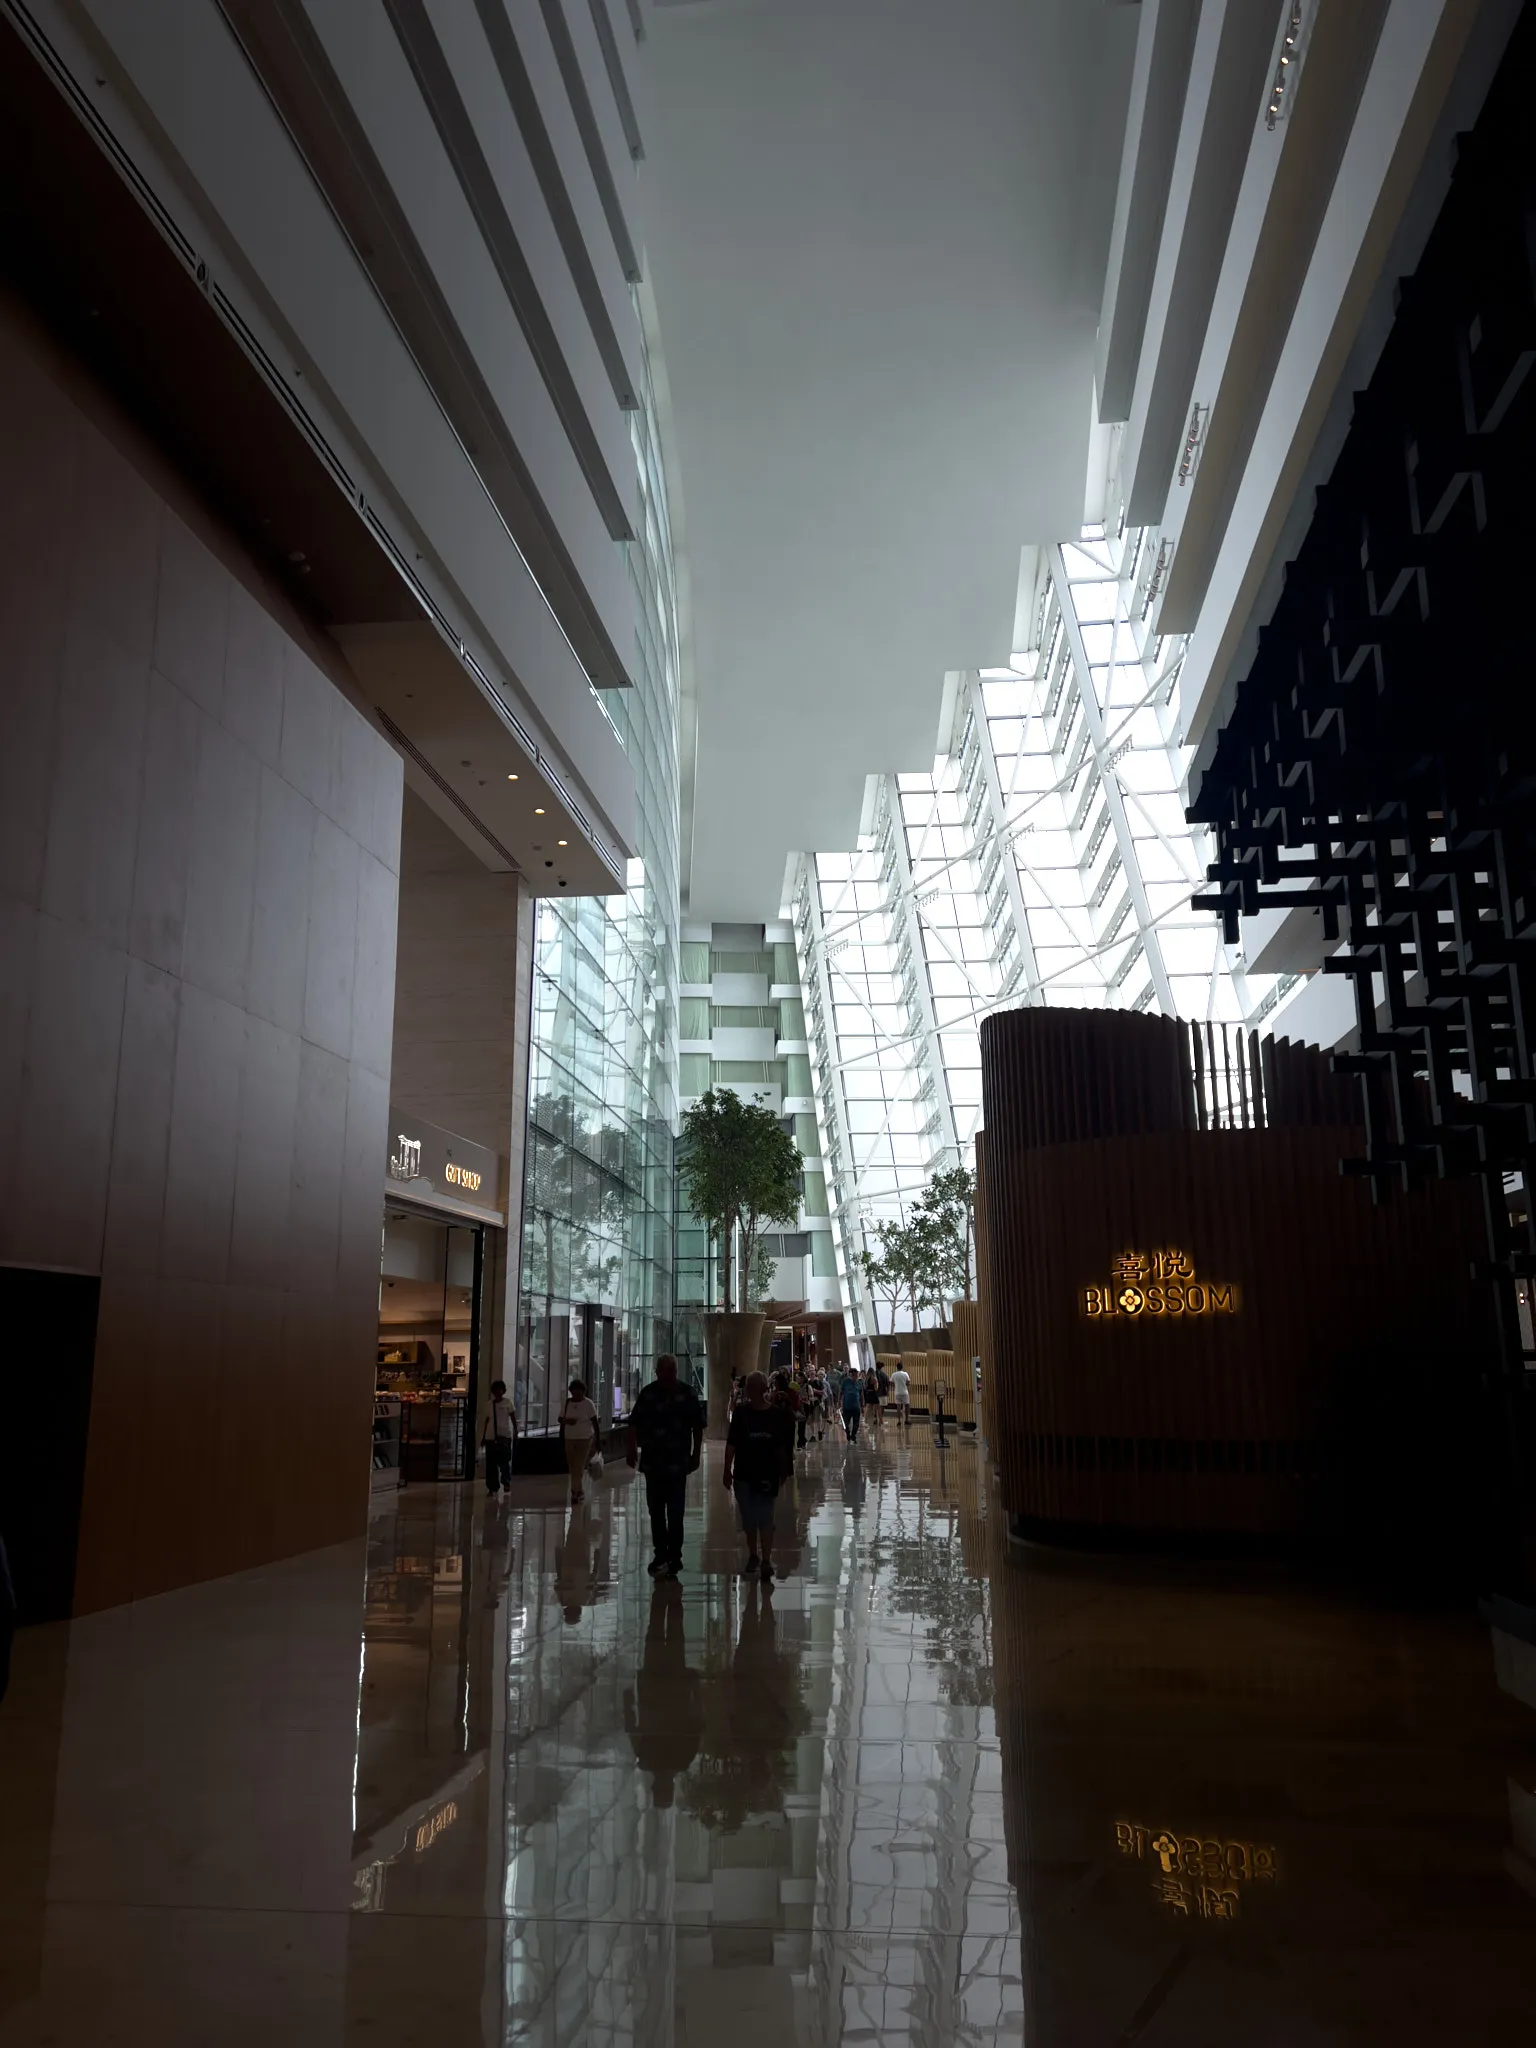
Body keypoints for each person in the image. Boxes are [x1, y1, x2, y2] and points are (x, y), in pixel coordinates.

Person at [626, 1353, 704, 1580]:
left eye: (671, 1372)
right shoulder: (648, 1394)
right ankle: (661, 1554)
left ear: (675, 1372)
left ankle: (674, 1555)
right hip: (653, 1464)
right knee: (656, 1511)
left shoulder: (687, 1394)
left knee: (676, 1512)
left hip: (677, 1464)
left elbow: (697, 1427)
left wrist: (696, 1454)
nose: (667, 1376)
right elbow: (633, 1423)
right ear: (657, 1372)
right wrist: (631, 1449)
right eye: (663, 1372)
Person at [723, 1370, 795, 1583]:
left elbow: (782, 1446)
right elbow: (731, 1444)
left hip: (767, 1474)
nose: (751, 1392)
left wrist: (783, 1471)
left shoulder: (775, 1415)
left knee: (765, 1517)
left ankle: (765, 1559)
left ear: (762, 1389)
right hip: (744, 1474)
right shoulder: (741, 1414)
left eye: (753, 1388)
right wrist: (727, 1470)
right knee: (748, 1518)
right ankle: (753, 1554)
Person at [559, 1377, 600, 1503]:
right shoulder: (567, 1403)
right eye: (574, 1392)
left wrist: (597, 1439)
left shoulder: (588, 1404)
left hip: (584, 1438)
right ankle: (578, 1490)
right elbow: (560, 1419)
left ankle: (575, 1492)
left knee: (579, 1465)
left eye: (579, 1392)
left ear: (583, 1392)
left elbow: (595, 1422)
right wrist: (567, 1422)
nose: (576, 1395)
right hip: (569, 1437)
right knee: (573, 1465)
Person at [479, 1376, 517, 1496]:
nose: (497, 1392)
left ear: (503, 1390)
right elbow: (486, 1420)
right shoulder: (488, 1404)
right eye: (495, 1390)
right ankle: (492, 1487)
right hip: (491, 1437)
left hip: (504, 1436)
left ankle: (506, 1482)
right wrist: (484, 1436)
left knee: (504, 1461)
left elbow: (513, 1417)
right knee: (491, 1464)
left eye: (500, 1389)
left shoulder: (508, 1403)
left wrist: (516, 1431)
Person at [839, 1364, 862, 1441]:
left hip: (856, 1407)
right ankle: (848, 1433)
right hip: (847, 1406)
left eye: (857, 1375)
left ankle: (853, 1435)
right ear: (852, 1375)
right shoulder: (845, 1382)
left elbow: (861, 1394)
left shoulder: (859, 1382)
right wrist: (839, 1402)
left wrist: (863, 1405)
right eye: (856, 1375)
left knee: (856, 1423)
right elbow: (841, 1392)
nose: (857, 1376)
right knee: (845, 1422)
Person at [890, 1360, 912, 1428]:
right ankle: (906, 1420)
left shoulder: (894, 1374)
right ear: (902, 1367)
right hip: (905, 1392)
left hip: (897, 1392)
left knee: (898, 1406)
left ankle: (899, 1421)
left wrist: (895, 1386)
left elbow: (891, 1382)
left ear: (897, 1367)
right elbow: (908, 1383)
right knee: (907, 1405)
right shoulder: (905, 1374)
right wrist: (905, 1385)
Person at [862, 1365, 882, 1430]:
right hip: (874, 1394)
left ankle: (864, 1420)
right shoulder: (874, 1378)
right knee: (878, 1408)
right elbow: (876, 1388)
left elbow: (865, 1387)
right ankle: (881, 1421)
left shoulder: (866, 1379)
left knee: (867, 1407)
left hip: (868, 1394)